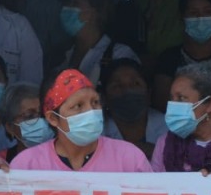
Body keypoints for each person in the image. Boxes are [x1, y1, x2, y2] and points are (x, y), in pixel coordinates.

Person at [12, 69, 152, 172]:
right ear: (53, 118)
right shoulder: (27, 165)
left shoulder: (129, 159)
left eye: (95, 102)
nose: (90, 111)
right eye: (78, 106)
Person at [59, 0, 138, 85]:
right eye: (67, 2)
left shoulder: (119, 55)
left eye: (75, 3)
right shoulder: (64, 55)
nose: (66, 7)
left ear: (94, 12)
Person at [100, 58, 166, 156]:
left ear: (149, 93)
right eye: (117, 86)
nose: (128, 90)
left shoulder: (167, 126)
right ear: (104, 97)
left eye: (136, 83)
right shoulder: (97, 132)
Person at [0, 83, 50, 162]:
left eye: (42, 113)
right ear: (10, 127)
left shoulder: (67, 157)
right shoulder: (0, 161)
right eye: (29, 116)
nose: (40, 120)